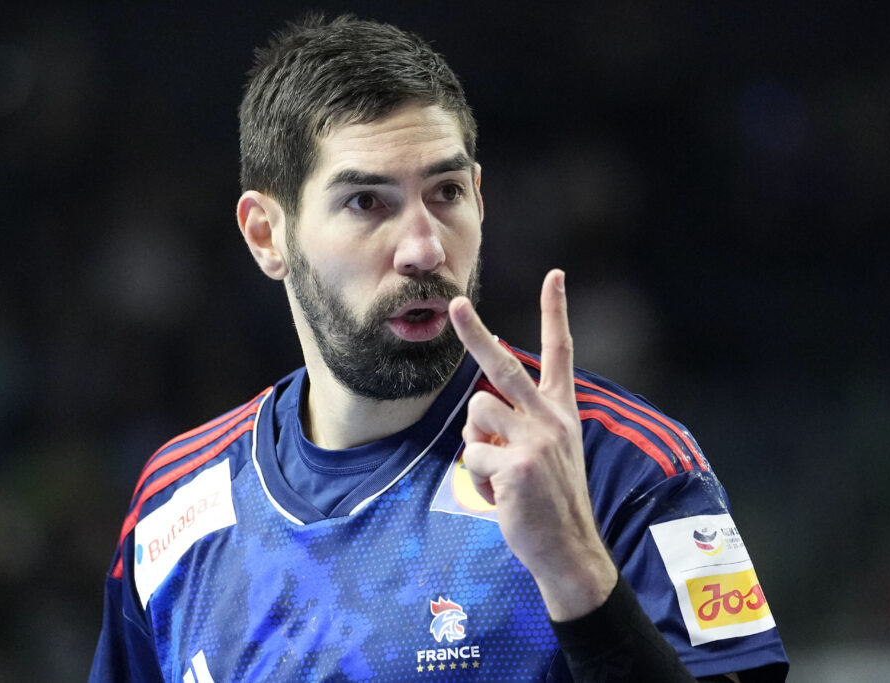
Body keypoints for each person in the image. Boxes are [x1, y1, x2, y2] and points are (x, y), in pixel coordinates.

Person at [90, 15, 788, 682]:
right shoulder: (174, 506)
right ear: (266, 234)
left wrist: (576, 566)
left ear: (480, 200)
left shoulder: (624, 465)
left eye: (446, 192)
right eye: (367, 202)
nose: (424, 248)